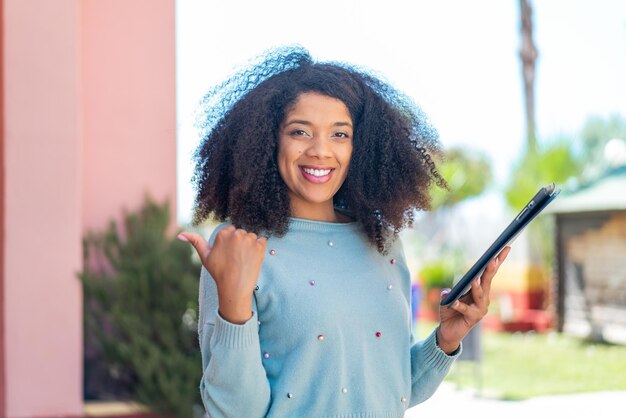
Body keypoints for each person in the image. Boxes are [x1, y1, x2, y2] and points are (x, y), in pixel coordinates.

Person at [178, 46, 510, 418]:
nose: (321, 150)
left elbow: (397, 391)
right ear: (268, 140)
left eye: (340, 134)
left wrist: (446, 339)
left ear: (361, 147)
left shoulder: (381, 241)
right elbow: (236, 411)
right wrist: (234, 309)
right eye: (300, 131)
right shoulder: (237, 246)